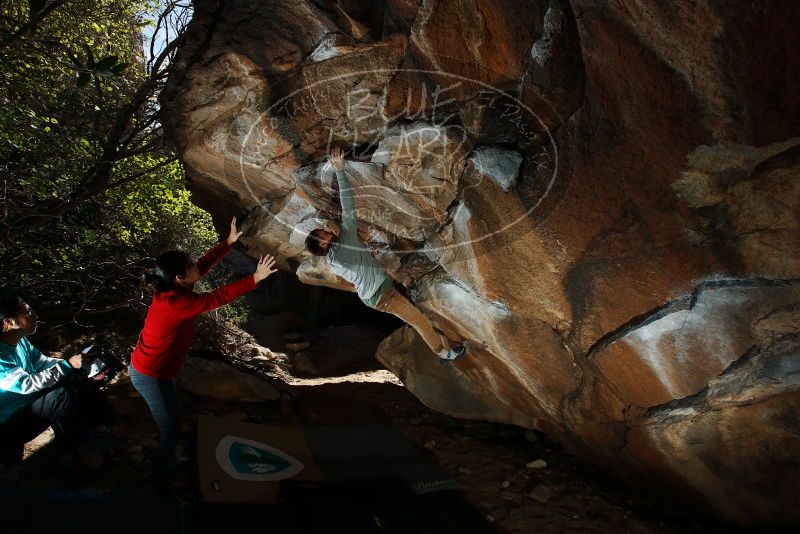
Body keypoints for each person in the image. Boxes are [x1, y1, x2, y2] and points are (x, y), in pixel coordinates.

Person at [130, 217, 277, 484]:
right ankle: (160, 485)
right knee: (171, 429)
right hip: (150, 374)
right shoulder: (175, 303)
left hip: (156, 368)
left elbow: (202, 267)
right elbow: (216, 298)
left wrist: (228, 243)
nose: (195, 265)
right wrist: (255, 278)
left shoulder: (174, 288)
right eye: (190, 265)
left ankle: (170, 463)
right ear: (179, 277)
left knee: (173, 418)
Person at [305, 147, 465, 362]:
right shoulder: (346, 240)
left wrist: (370, 256)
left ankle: (442, 343)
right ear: (324, 243)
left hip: (375, 293)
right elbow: (347, 203)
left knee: (418, 314)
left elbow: (356, 270)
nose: (326, 228)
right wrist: (340, 171)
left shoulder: (334, 259)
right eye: (322, 232)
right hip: (383, 296)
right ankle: (444, 354)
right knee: (420, 321)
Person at [0, 294, 109, 454]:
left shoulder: (20, 340)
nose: (35, 315)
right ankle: (72, 452)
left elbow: (42, 362)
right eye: (28, 312)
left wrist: (74, 364)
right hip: (8, 423)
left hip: (26, 405)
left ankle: (99, 426)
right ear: (9, 322)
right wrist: (67, 366)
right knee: (59, 397)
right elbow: (25, 384)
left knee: (74, 377)